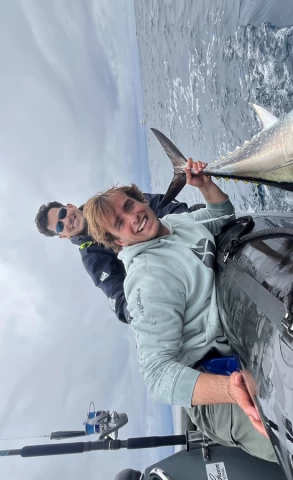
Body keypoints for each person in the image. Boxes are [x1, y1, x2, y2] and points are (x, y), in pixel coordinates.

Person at [83, 159, 276, 462]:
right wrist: (230, 389)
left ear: (140, 200)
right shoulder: (147, 279)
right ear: (119, 241)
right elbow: (157, 375)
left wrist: (205, 186)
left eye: (129, 206)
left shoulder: (175, 224)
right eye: (120, 223)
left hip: (240, 333)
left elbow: (222, 216)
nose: (133, 217)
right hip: (212, 384)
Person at [34, 195, 197, 324]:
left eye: (62, 213)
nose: (66, 220)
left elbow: (158, 204)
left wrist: (187, 223)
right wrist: (140, 311)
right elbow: (119, 300)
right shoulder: (92, 259)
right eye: (59, 226)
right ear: (62, 236)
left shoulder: (107, 202)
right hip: (174, 279)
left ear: (70, 206)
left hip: (184, 236)